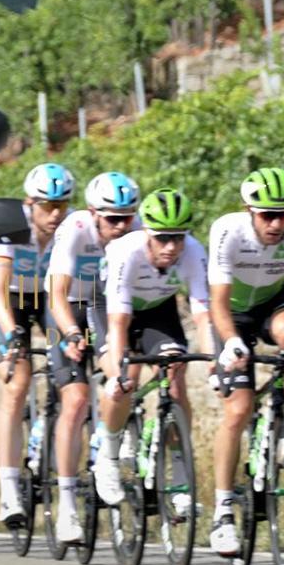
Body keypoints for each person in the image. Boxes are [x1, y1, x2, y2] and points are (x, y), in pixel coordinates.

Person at [207, 167, 284, 556]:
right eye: (267, 215)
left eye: (283, 215)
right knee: (237, 411)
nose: (276, 224)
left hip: (272, 302)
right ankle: (222, 511)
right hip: (231, 314)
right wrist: (231, 342)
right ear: (249, 211)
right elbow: (217, 303)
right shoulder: (228, 231)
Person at [98, 188, 213, 513]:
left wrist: (214, 365)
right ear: (147, 232)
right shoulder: (126, 252)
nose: (171, 247)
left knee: (175, 376)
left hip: (158, 310)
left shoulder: (194, 252)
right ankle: (108, 457)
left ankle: (180, 476)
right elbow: (118, 323)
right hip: (111, 309)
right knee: (122, 383)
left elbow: (203, 315)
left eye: (178, 237)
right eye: (162, 238)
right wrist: (117, 374)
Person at [45, 170, 140, 543]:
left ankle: (114, 434)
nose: (121, 226)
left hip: (104, 307)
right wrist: (70, 332)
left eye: (127, 218)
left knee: (121, 372)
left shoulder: (136, 230)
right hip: (68, 308)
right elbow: (56, 295)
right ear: (93, 212)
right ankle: (67, 504)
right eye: (113, 219)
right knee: (76, 399)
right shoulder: (74, 229)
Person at [0, 163, 75, 525]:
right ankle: (9, 492)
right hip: (11, 301)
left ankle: (48, 436)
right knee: (17, 383)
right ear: (30, 203)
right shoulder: (11, 226)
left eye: (62, 205)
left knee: (70, 378)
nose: (55, 214)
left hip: (50, 299)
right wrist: (11, 333)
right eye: (48, 206)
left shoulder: (71, 228)